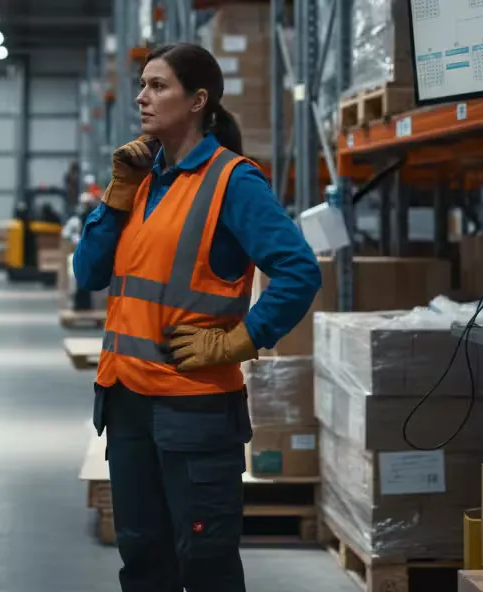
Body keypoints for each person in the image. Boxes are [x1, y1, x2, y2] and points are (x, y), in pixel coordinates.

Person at [73, 43, 321, 592]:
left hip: (194, 412)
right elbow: (88, 273)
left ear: (197, 100)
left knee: (204, 565)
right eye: (142, 84)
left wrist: (242, 340)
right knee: (142, 561)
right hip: (127, 405)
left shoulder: (233, 182)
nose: (142, 97)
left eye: (158, 86)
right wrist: (115, 197)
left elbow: (300, 271)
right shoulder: (138, 181)